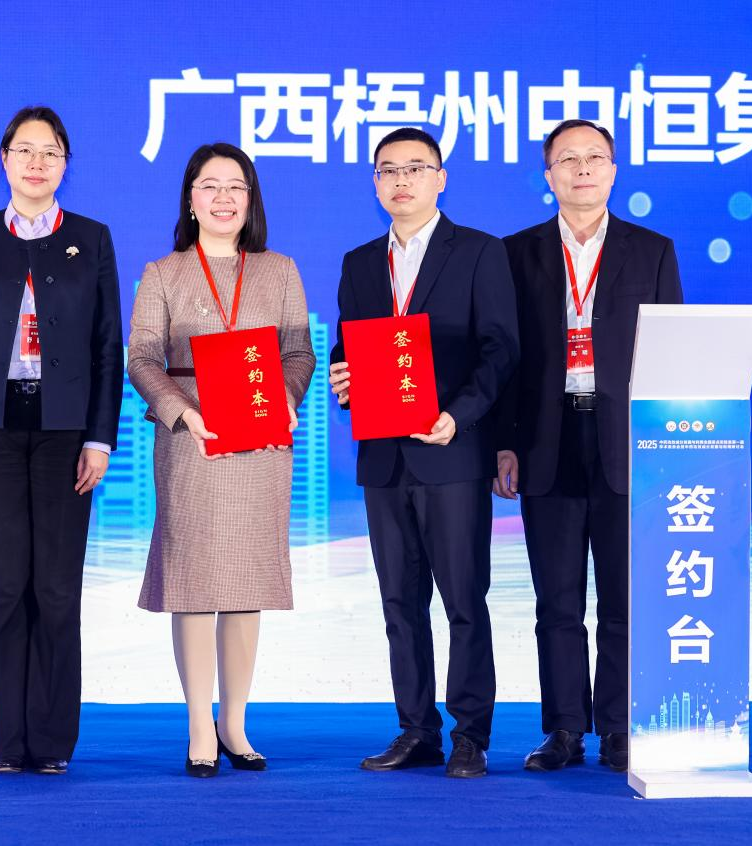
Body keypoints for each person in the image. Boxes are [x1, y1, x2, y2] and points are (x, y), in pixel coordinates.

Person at [328, 127, 518, 779]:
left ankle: (470, 735)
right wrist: (343, 378)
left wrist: (457, 417)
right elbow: (348, 346)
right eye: (388, 169)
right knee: (399, 604)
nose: (401, 180)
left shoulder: (479, 251)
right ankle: (416, 729)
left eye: (415, 168)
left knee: (463, 601)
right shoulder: (359, 262)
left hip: (451, 453)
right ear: (375, 183)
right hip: (384, 458)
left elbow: (500, 349)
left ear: (441, 178)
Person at [495, 118, 683, 773]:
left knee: (625, 598)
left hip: (624, 440)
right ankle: (564, 730)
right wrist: (503, 444)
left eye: (594, 157)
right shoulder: (514, 253)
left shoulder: (651, 251)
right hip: (545, 440)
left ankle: (620, 728)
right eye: (567, 159)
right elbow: (504, 357)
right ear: (547, 176)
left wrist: (665, 444)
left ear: (613, 170)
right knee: (557, 601)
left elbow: (669, 355)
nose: (581, 169)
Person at [0, 105, 123, 776]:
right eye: (25, 150)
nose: (37, 162)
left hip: (64, 432)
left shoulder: (91, 239)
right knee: (1, 588)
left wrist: (99, 439)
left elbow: (108, 346)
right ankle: (9, 742)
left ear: (65, 164)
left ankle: (50, 743)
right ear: (4, 159)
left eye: (50, 152)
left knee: (55, 588)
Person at [129, 142, 315, 778]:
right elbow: (142, 358)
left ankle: (234, 723)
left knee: (244, 583)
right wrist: (181, 412)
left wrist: (285, 398)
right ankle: (198, 725)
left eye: (236, 186)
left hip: (260, 440)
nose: (223, 198)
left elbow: (299, 352)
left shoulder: (280, 270)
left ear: (251, 198)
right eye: (210, 186)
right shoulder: (163, 272)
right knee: (193, 582)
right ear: (191, 199)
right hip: (192, 439)